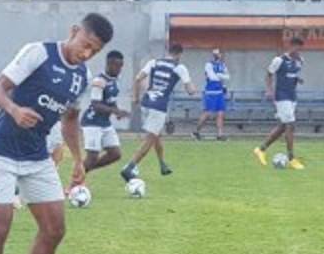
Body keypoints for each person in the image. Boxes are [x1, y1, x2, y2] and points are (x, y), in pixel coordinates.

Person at [0, 13, 114, 254]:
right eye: (85, 45)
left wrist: (79, 160)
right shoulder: (38, 52)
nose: (86, 54)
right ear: (74, 31)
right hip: (0, 152)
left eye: (94, 51)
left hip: (37, 158)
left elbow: (69, 121)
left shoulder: (81, 77)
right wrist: (14, 110)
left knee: (54, 229)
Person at [120, 43, 198, 181]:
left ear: (168, 51)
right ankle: (129, 167)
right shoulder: (179, 67)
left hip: (146, 102)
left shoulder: (154, 62)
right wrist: (194, 89)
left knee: (156, 135)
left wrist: (136, 97)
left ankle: (162, 164)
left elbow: (138, 78)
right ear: (180, 54)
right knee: (149, 140)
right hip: (159, 106)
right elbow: (190, 90)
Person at [253, 36, 306, 170]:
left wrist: (298, 80)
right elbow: (269, 74)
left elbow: (292, 75)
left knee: (283, 126)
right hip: (281, 96)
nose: (298, 50)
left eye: (300, 48)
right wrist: (269, 90)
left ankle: (261, 149)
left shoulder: (300, 61)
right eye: (296, 47)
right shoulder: (279, 60)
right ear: (291, 46)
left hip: (292, 96)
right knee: (290, 125)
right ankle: (291, 158)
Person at [80, 50, 128, 173]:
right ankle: (74, 184)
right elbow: (96, 105)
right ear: (109, 64)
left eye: (121, 65)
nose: (120, 69)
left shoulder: (115, 80)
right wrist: (114, 111)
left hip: (104, 123)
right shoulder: (99, 81)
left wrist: (118, 111)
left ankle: (83, 170)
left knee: (115, 154)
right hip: (92, 122)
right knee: (92, 156)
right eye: (118, 65)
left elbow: (111, 101)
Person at [192, 48, 231, 141]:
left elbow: (228, 76)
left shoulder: (222, 65)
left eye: (219, 54)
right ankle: (196, 131)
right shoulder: (208, 64)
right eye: (216, 54)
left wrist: (222, 80)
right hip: (210, 92)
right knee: (208, 113)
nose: (218, 55)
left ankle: (220, 135)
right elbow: (212, 77)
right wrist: (220, 76)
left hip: (219, 92)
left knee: (220, 113)